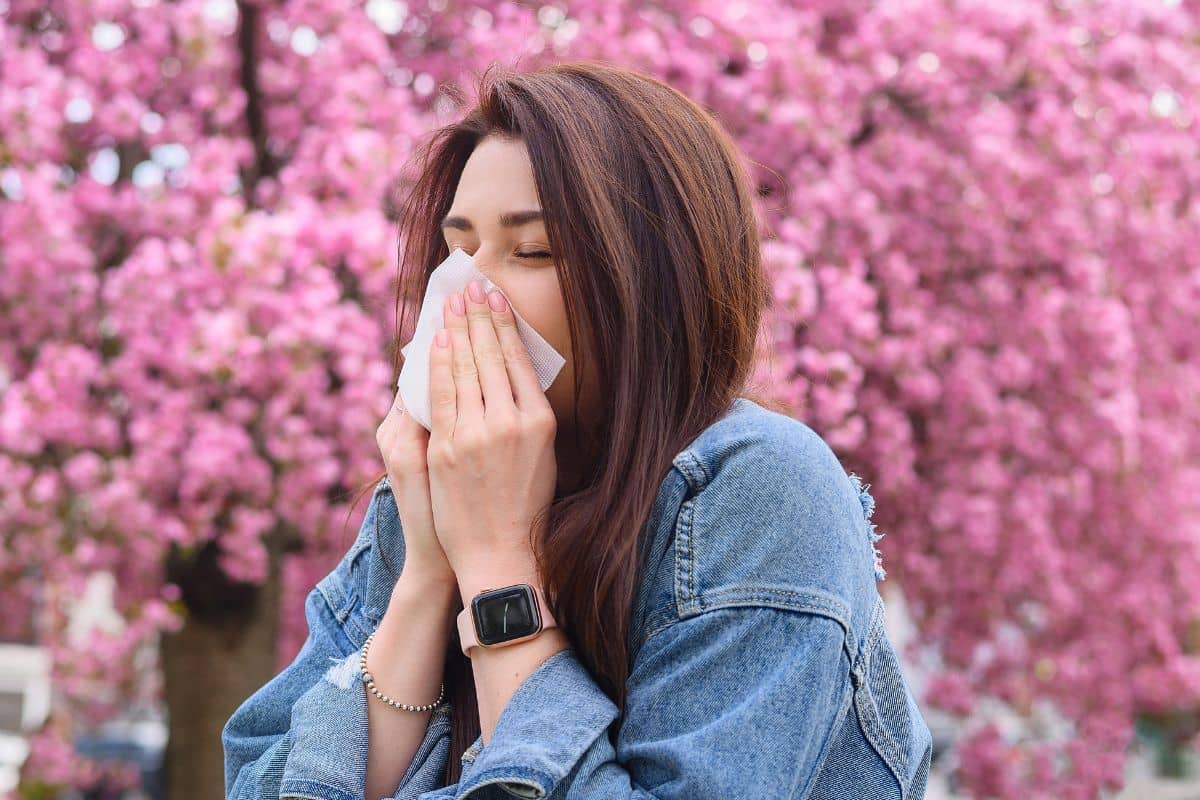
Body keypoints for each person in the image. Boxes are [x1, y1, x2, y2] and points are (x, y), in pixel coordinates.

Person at [222, 59, 933, 800]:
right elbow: (260, 781)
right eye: (457, 250)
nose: (469, 290)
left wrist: (498, 566)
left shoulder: (755, 488)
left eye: (531, 251)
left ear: (649, 282)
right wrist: (429, 573)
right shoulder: (427, 499)